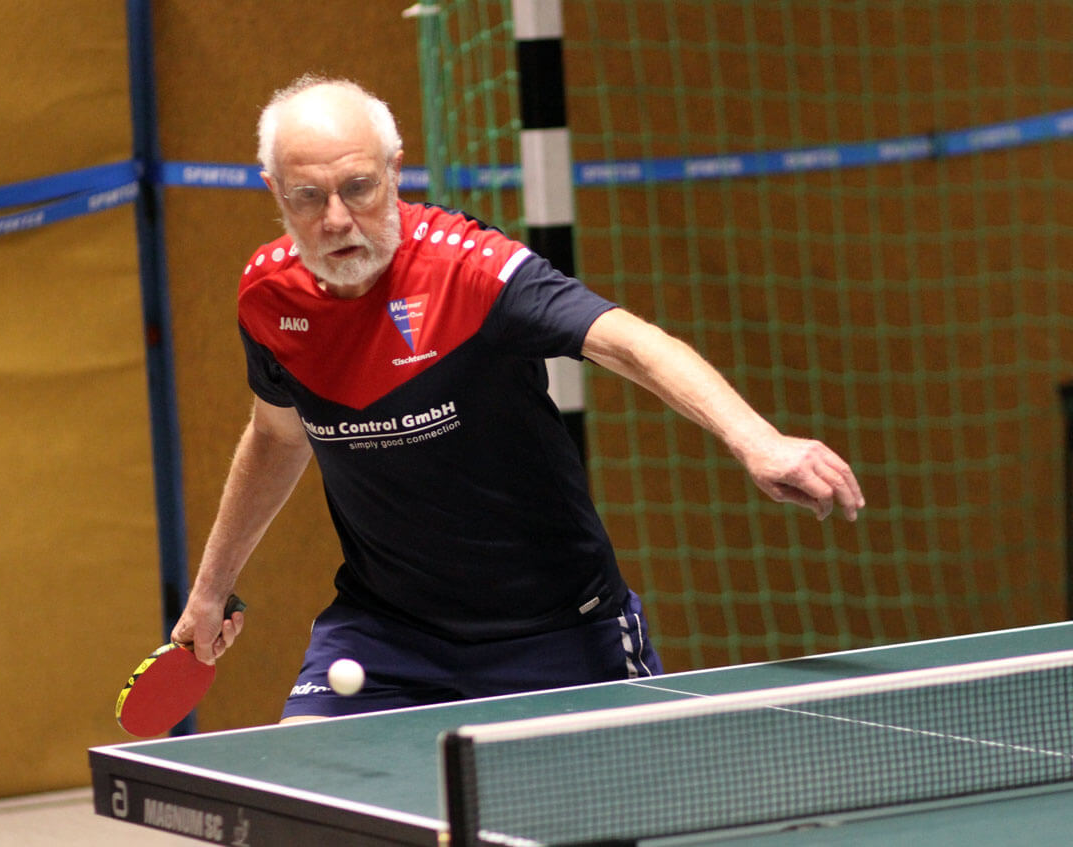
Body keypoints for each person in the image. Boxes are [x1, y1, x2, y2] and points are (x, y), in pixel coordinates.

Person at [171, 74, 865, 722]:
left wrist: (756, 438)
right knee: (306, 809)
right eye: (307, 196)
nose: (336, 219)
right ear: (273, 190)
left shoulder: (472, 272)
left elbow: (628, 340)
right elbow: (277, 436)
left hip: (557, 628)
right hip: (385, 632)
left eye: (357, 187)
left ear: (395, 169)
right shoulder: (268, 299)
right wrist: (209, 590)